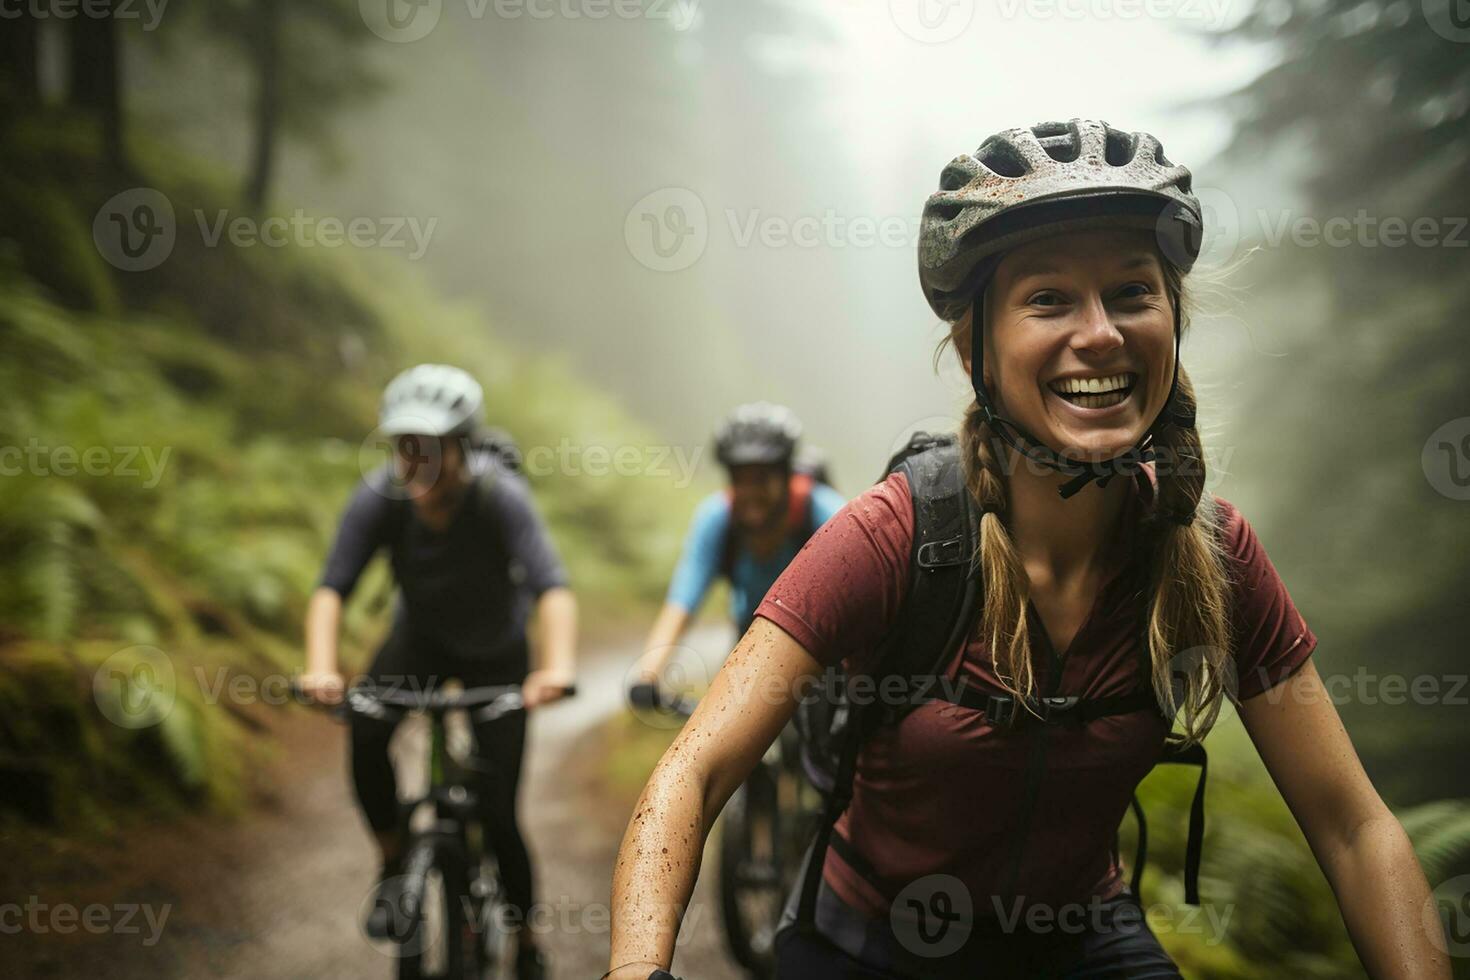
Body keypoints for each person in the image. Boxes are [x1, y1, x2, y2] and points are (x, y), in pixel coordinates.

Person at [606, 120, 1449, 979]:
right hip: (873, 944)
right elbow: (696, 771)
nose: (1102, 334)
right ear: (976, 348)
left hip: (1083, 945)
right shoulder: (900, 536)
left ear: (1173, 318)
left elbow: (1353, 827)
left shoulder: (1213, 557)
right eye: (1049, 299)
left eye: (1132, 293)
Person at [298, 364, 577, 980]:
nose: (417, 464)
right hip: (417, 645)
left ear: (464, 447)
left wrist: (553, 670)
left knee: (500, 810)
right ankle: (394, 861)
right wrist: (320, 668)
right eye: (405, 448)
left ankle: (526, 939)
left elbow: (551, 587)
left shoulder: (499, 495)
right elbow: (330, 589)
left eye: (432, 448)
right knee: (366, 731)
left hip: (497, 654)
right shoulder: (379, 498)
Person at [630, 402, 844, 699]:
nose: (749, 492)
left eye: (762, 478)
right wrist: (647, 676)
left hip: (822, 644)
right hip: (750, 637)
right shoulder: (716, 519)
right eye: (739, 479)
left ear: (786, 476)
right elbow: (680, 604)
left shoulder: (827, 515)